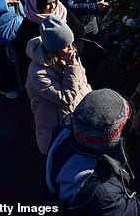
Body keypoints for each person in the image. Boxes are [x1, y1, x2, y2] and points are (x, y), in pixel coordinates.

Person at [46, 88, 140, 214]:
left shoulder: (67, 128)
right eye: (126, 124)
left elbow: (100, 137)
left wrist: (132, 130)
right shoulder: (103, 195)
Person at [26, 15, 92, 154]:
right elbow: (66, 99)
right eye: (65, 46)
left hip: (78, 118)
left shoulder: (68, 55)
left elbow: (83, 81)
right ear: (53, 49)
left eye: (71, 44)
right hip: (57, 128)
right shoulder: (38, 73)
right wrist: (71, 67)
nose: (71, 49)